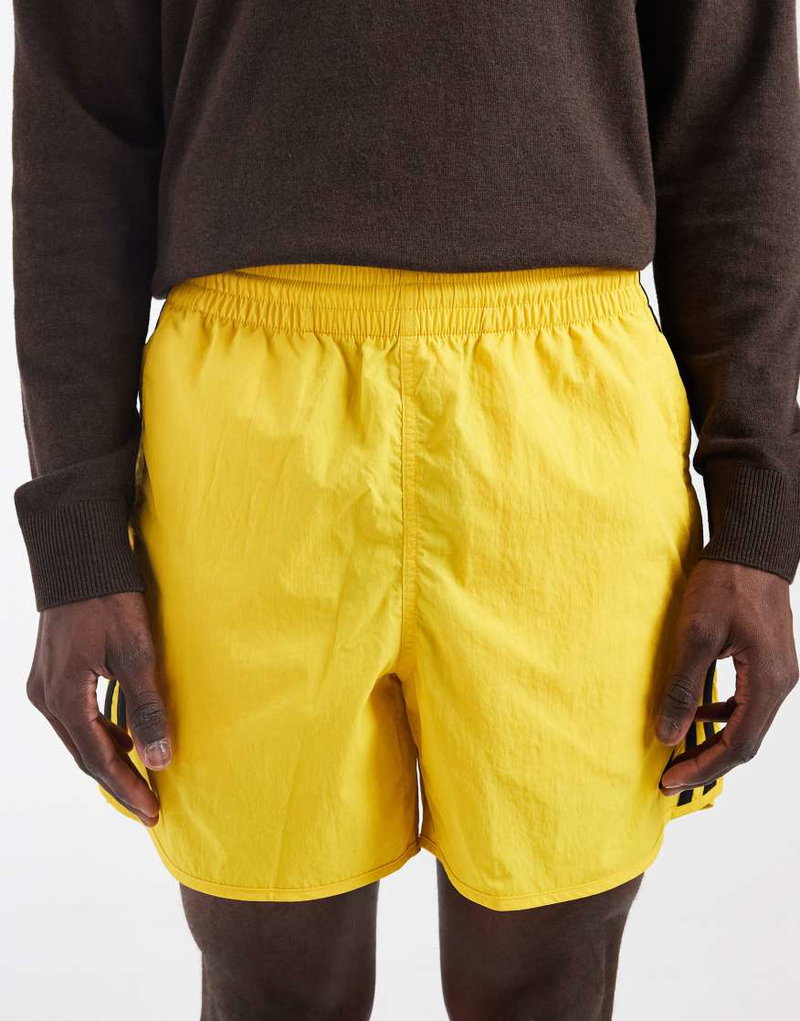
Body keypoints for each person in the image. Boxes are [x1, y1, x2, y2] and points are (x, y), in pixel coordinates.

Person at [11, 2, 800, 1018]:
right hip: (251, 422)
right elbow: (81, 118)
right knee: (269, 978)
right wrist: (77, 539)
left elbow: (732, 113)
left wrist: (756, 506)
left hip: (561, 407)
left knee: (547, 977)